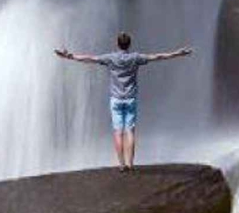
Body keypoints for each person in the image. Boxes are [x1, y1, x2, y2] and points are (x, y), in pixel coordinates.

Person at [54, 32, 193, 172]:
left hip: (116, 99)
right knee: (130, 132)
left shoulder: (110, 58)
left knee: (118, 132)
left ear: (117, 44)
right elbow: (157, 57)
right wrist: (177, 53)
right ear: (129, 44)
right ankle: (130, 164)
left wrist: (69, 56)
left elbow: (90, 59)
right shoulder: (135, 57)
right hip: (130, 98)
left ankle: (121, 165)